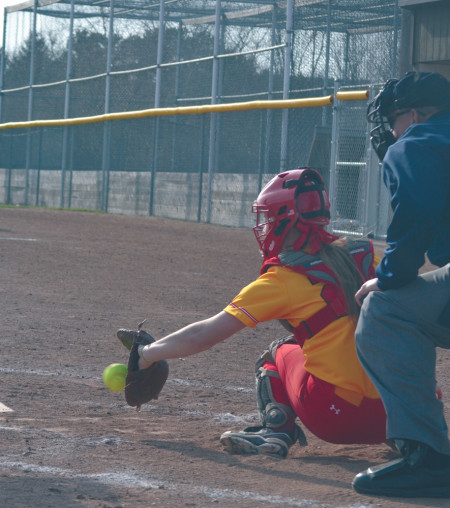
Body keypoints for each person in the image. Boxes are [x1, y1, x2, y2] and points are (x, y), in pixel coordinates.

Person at [133, 167, 388, 459]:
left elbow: (204, 335)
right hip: (405, 411)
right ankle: (409, 441)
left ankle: (276, 431)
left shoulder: (283, 276)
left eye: (269, 218)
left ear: (286, 221)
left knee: (276, 354)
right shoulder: (368, 254)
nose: (265, 226)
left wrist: (147, 354)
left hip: (337, 418)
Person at [352, 71, 450, 497]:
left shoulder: (418, 142)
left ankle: (428, 459)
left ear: (414, 114)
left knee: (386, 310)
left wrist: (388, 278)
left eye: (394, 120)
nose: (392, 132)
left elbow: (417, 215)